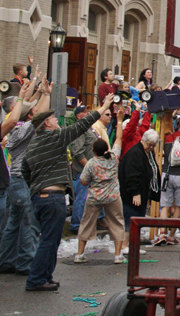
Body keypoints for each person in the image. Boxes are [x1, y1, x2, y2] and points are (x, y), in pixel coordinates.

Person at [20, 92, 113, 291]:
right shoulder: (55, 137)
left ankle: (45, 276)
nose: (56, 120)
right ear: (47, 124)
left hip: (39, 197)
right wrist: (103, 106)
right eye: (53, 119)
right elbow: (80, 126)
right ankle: (35, 280)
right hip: (53, 197)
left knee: (50, 240)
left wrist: (35, 187)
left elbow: (24, 170)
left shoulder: (33, 145)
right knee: (48, 241)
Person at [0, 81, 38, 274]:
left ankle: (6, 260)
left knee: (12, 222)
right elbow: (15, 120)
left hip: (9, 180)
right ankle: (25, 263)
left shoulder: (14, 130)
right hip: (17, 180)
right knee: (25, 221)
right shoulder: (20, 129)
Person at [74, 127, 125, 265]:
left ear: (93, 150)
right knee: (117, 222)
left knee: (86, 223)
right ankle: (118, 255)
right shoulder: (114, 158)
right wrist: (119, 121)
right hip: (113, 196)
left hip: (94, 197)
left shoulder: (91, 163)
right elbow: (119, 139)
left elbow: (83, 182)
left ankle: (79, 254)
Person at [153, 108, 180, 246]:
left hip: (167, 173)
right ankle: (171, 235)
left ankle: (162, 233)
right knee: (178, 207)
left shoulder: (168, 137)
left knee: (165, 205)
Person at [119, 129, 160, 256]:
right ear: (143, 140)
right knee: (130, 219)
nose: (151, 148)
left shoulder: (146, 153)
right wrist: (135, 192)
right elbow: (132, 175)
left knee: (137, 219)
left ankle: (131, 245)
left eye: (153, 145)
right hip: (133, 194)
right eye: (149, 145)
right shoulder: (135, 153)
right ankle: (124, 245)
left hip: (142, 192)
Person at [67, 105, 98, 233]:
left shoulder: (88, 129)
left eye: (88, 111)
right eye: (85, 112)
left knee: (90, 198)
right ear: (78, 116)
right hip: (83, 172)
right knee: (81, 197)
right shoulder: (79, 130)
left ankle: (91, 222)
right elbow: (77, 152)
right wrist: (89, 167)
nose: (88, 113)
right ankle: (76, 225)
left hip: (92, 170)